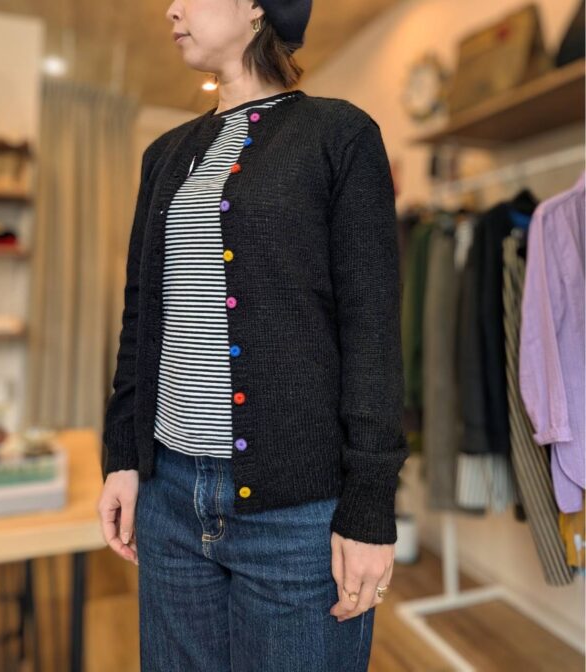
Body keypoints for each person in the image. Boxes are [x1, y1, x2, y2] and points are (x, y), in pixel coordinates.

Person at [97, 0, 409, 670]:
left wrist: (370, 506)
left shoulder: (339, 135)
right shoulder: (164, 155)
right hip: (169, 497)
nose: (171, 9)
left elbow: (373, 329)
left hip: (296, 513)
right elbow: (141, 317)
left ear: (257, 8)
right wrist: (122, 456)